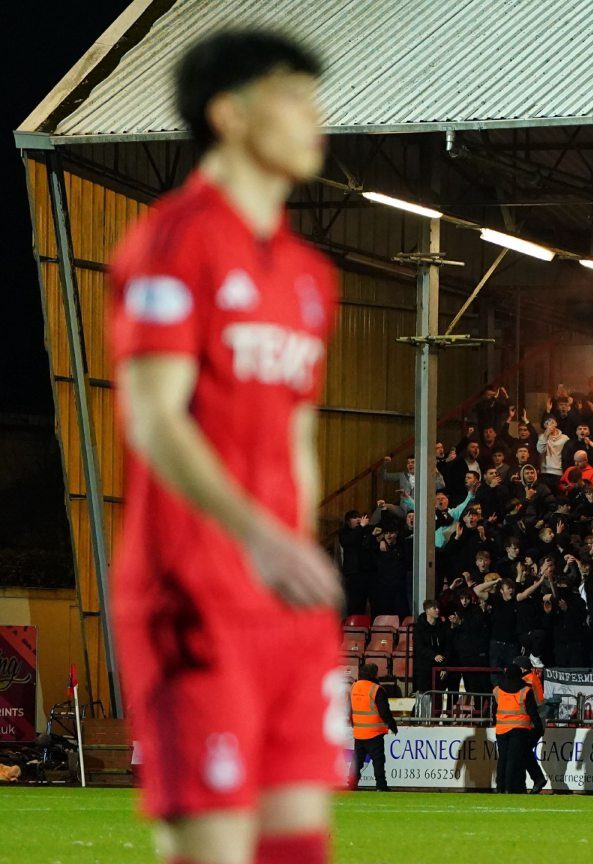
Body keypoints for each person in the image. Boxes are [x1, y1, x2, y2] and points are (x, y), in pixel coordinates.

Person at [107, 30, 345, 864]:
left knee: (297, 846)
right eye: (293, 96)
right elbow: (153, 417)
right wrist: (258, 536)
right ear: (229, 115)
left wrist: (296, 552)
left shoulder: (310, 276)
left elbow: (298, 436)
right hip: (192, 596)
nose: (316, 117)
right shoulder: (172, 242)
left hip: (281, 604)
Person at [492, 662, 543, 794]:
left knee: (503, 759)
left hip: (501, 729)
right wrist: (539, 727)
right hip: (519, 728)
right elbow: (532, 711)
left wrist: (495, 722)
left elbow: (494, 709)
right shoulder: (525, 690)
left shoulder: (497, 689)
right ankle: (512, 787)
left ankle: (500, 787)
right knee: (514, 759)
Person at [349, 663, 399, 791]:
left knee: (357, 761)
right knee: (378, 760)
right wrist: (392, 725)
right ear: (374, 674)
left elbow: (351, 707)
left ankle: (352, 784)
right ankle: (381, 785)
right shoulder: (376, 689)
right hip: (374, 732)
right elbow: (384, 711)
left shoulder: (354, 686)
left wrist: (352, 722)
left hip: (359, 731)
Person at [518, 656, 548, 794]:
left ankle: (537, 778)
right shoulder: (532, 678)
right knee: (524, 751)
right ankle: (536, 779)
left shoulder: (527, 680)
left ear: (522, 668)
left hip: (534, 723)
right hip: (537, 722)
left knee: (523, 750)